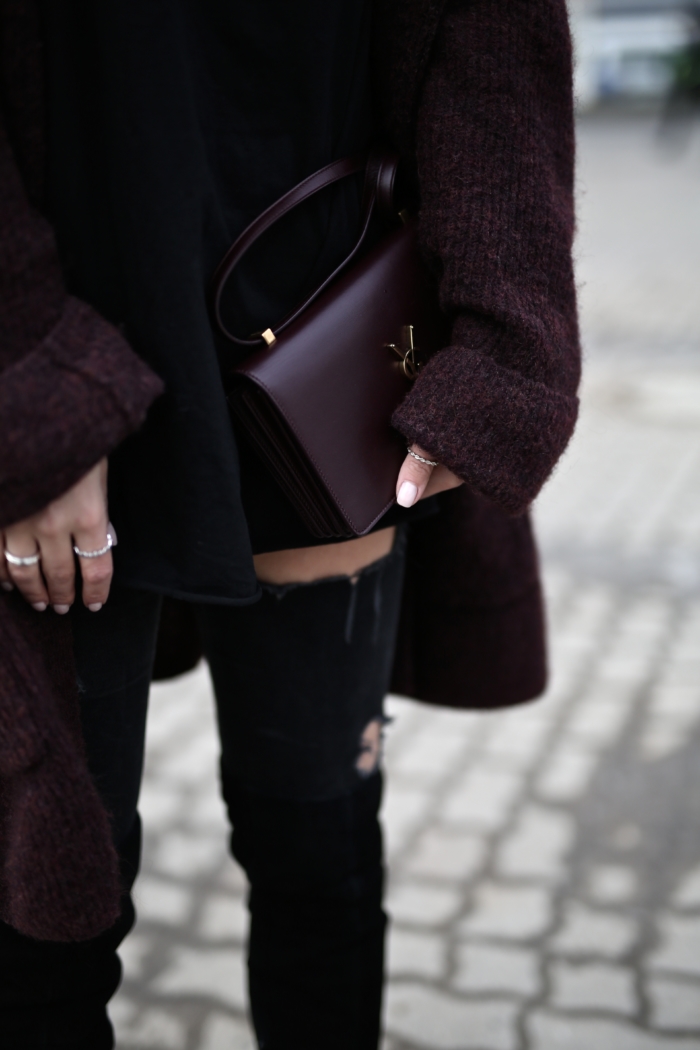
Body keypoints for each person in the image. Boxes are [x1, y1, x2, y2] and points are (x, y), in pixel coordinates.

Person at [0, 1, 580, 1047]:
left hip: (333, 341)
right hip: (56, 337)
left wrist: (505, 334)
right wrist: (24, 382)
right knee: (43, 921)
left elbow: (490, 31)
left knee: (320, 855)